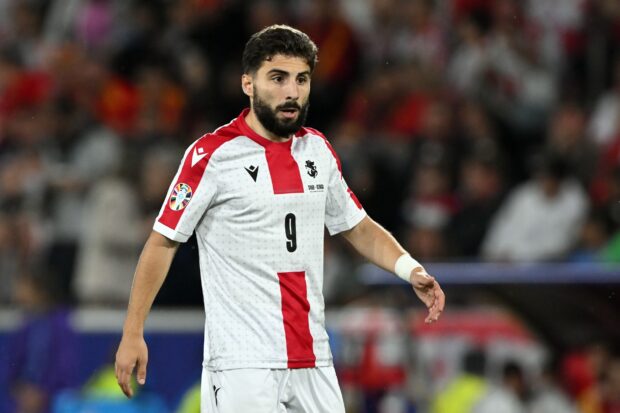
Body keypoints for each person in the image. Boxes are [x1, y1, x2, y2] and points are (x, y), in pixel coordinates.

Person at [114, 24, 445, 413]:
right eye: (278, 78)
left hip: (313, 358)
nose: (292, 91)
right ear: (248, 84)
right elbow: (162, 242)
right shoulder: (212, 156)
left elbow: (358, 227)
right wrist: (133, 331)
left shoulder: (317, 151)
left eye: (301, 79)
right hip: (242, 363)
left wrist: (409, 269)